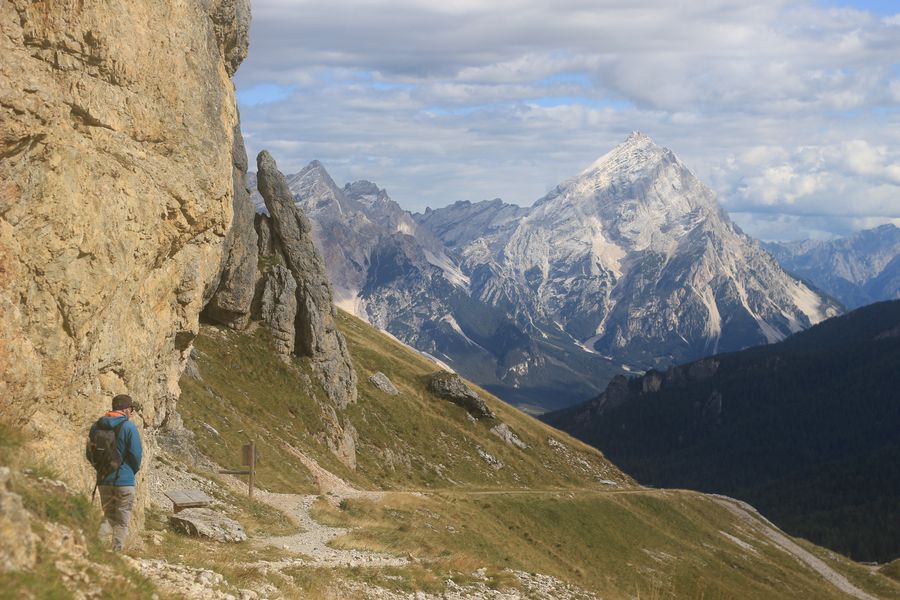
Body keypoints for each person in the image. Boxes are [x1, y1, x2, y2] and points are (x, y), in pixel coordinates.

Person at [87, 394, 142, 551]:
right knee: (121, 521)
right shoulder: (129, 427)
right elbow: (136, 455)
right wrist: (130, 472)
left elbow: (89, 453)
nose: (132, 413)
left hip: (104, 480)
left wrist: (101, 469)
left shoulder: (96, 426)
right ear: (126, 409)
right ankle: (116, 553)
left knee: (109, 516)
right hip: (124, 481)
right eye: (132, 409)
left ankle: (94, 547)